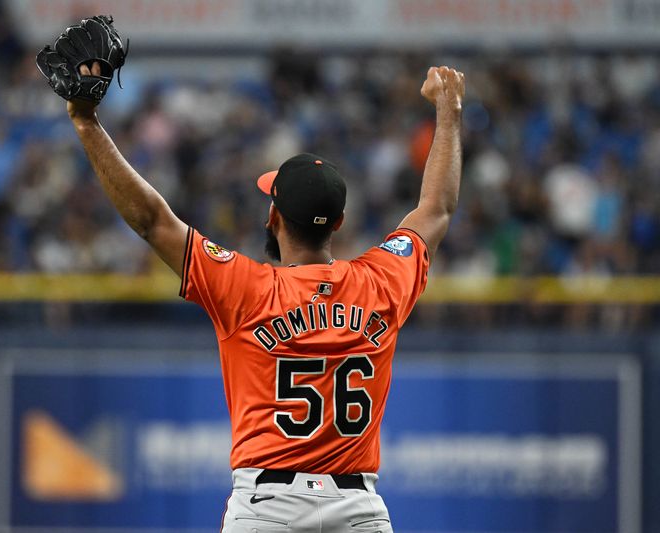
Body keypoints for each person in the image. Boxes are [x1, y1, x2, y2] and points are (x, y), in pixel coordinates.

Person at [67, 62, 464, 532]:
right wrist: (449, 112)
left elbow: (152, 219)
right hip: (359, 509)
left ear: (273, 215)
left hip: (266, 507)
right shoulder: (381, 283)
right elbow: (436, 208)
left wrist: (86, 122)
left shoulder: (245, 289)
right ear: (338, 222)